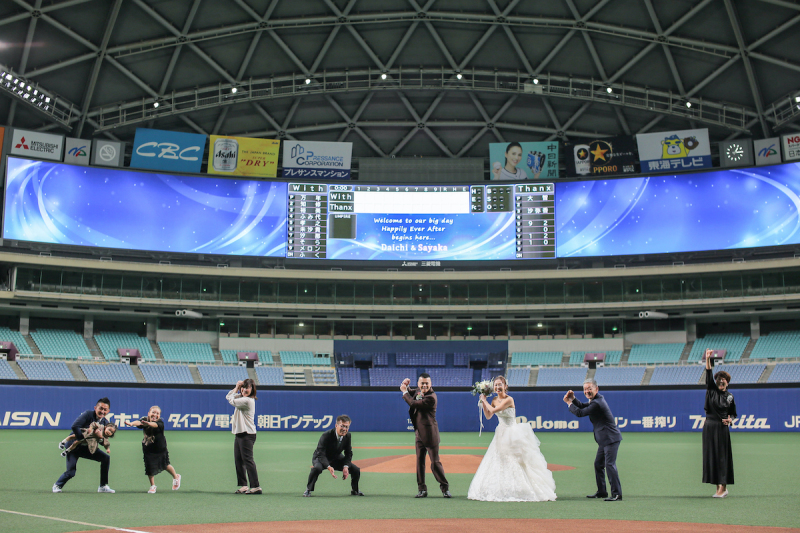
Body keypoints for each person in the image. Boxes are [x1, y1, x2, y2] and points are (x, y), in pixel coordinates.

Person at [468, 376, 556, 502]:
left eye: (500, 385)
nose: (498, 387)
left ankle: (522, 488)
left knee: (515, 460)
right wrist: (484, 402)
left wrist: (483, 400)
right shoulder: (493, 399)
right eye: (496, 385)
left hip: (512, 433)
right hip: (500, 433)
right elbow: (488, 416)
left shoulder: (509, 399)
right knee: (499, 460)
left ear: (505, 386)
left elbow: (495, 409)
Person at [564, 379, 623, 501]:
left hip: (610, 438)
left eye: (589, 388)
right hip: (604, 439)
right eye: (585, 389)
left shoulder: (597, 403)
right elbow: (582, 406)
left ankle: (617, 494)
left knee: (609, 465)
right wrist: (573, 399)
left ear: (597, 389)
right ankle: (602, 491)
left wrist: (569, 403)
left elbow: (580, 412)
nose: (587, 391)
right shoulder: (595, 401)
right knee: (598, 464)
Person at [401, 373, 451, 498]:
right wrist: (405, 386)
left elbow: (413, 403)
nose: (424, 385)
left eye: (426, 383)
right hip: (419, 434)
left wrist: (404, 392)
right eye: (422, 383)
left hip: (430, 434)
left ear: (430, 384)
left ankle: (445, 488)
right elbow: (412, 393)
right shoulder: (418, 390)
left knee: (435, 463)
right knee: (420, 462)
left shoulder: (431, 397)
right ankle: (422, 489)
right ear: (418, 383)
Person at [53, 397, 115, 493]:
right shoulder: (88, 414)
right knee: (71, 472)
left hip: (88, 448)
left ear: (108, 411)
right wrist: (81, 438)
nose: (102, 411)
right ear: (95, 408)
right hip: (74, 446)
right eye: (100, 408)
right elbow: (75, 426)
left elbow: (104, 440)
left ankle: (103, 486)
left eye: (105, 409)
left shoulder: (105, 422)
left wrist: (101, 438)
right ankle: (57, 485)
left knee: (105, 458)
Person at [702, 349, 736, 498]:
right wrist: (708, 359)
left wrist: (731, 420)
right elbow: (709, 373)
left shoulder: (730, 397)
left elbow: (734, 413)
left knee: (722, 457)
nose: (721, 382)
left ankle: (722, 488)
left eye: (724, 380)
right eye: (719, 379)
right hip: (709, 427)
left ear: (727, 382)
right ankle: (718, 486)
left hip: (722, 429)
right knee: (712, 457)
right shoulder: (711, 391)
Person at [125, 405, 182, 494]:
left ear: (160, 415)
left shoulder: (160, 423)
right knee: (149, 468)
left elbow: (154, 425)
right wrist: (131, 423)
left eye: (157, 413)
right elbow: (139, 422)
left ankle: (176, 477)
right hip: (148, 449)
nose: (155, 414)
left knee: (165, 465)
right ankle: (153, 486)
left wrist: (147, 424)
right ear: (149, 413)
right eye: (153, 412)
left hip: (160, 448)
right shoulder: (145, 419)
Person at [303, 415, 363, 497]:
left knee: (355, 470)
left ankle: (355, 490)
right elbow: (321, 453)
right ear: (336, 425)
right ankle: (308, 490)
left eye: (347, 427)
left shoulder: (348, 436)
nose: (344, 429)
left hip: (336, 458)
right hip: (320, 457)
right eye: (342, 426)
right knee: (317, 468)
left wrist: (346, 466)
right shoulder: (326, 435)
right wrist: (328, 466)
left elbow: (348, 453)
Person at [227, 379, 261, 494]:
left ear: (252, 390)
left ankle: (256, 486)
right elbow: (229, 396)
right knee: (238, 460)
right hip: (240, 433)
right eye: (243, 387)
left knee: (248, 460)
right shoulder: (242, 398)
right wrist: (237, 388)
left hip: (247, 434)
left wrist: (237, 388)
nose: (244, 389)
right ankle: (244, 485)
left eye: (247, 388)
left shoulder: (247, 400)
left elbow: (231, 400)